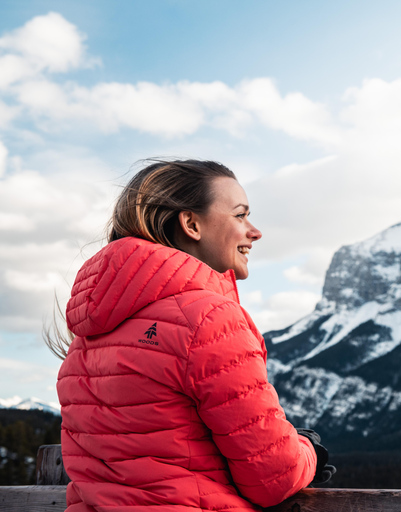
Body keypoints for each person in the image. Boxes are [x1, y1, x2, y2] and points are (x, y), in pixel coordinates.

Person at [47, 159, 334, 511]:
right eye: (240, 215)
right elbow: (274, 476)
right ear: (191, 224)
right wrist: (307, 451)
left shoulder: (87, 336)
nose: (254, 232)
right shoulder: (209, 319)